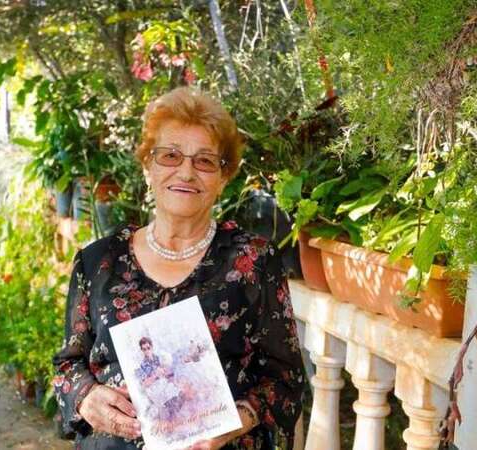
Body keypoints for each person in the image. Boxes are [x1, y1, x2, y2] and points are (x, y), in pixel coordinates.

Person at [52, 87, 306, 450]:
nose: (186, 172)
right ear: (148, 168)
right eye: (170, 156)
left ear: (223, 178)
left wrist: (235, 420)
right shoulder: (97, 262)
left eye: (204, 161)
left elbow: (286, 378)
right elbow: (67, 365)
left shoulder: (254, 262)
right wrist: (86, 398)